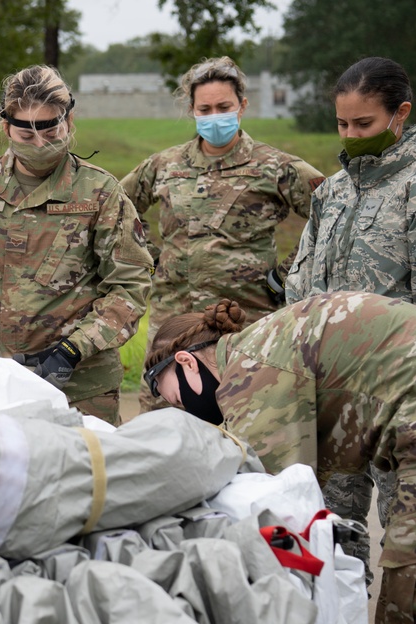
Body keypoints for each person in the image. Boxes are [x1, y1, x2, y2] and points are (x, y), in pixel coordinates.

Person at [143, 292, 416, 624]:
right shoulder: (264, 345)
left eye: (177, 400)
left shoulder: (249, 376)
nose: (187, 410)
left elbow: (276, 511)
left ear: (186, 362)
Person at [285, 56, 416, 580]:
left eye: (364, 124)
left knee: (413, 553)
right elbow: (301, 289)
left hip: (402, 404)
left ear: (401, 115)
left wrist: (405, 397)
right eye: (342, 124)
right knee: (330, 542)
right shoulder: (331, 192)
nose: (351, 135)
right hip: (332, 404)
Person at [0, 65, 153, 425]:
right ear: (5, 127)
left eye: (51, 130)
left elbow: (129, 288)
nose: (40, 144)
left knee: (88, 476)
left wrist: (74, 349)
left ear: (69, 121)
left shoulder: (100, 194)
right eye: (26, 134)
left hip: (80, 389)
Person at [119, 56, 324, 412]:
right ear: (192, 110)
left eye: (224, 107)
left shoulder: (276, 166)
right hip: (173, 325)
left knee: (249, 417)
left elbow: (333, 212)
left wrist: (290, 272)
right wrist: (150, 258)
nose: (215, 116)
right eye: (205, 108)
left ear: (242, 106)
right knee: (164, 420)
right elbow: (117, 208)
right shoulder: (164, 165)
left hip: (243, 323)